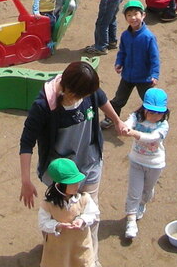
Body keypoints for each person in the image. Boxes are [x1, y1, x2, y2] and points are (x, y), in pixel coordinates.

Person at [20, 62, 122, 265]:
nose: (87, 98)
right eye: (83, 95)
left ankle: (91, 260)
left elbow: (102, 100)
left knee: (90, 214)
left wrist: (117, 121)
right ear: (70, 90)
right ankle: (55, 253)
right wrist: (25, 181)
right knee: (60, 215)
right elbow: (26, 142)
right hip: (62, 174)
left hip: (90, 162)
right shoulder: (44, 106)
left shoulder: (87, 89)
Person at [119, 87, 170, 240]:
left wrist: (134, 133)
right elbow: (128, 122)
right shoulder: (136, 117)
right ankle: (131, 222)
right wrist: (125, 127)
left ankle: (142, 203)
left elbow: (152, 138)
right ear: (144, 109)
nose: (155, 116)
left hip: (154, 164)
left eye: (159, 113)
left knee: (146, 192)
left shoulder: (163, 125)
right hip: (136, 161)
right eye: (151, 112)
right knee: (134, 193)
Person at [38, 158, 98, 267]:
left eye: (77, 182)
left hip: (81, 247)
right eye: (72, 183)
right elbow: (43, 223)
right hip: (58, 250)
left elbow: (93, 213)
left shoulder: (84, 198)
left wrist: (82, 220)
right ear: (59, 185)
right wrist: (58, 225)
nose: (77, 185)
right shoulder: (48, 204)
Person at [107, 0, 160, 122]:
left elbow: (154, 58)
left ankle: (155, 121)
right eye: (129, 15)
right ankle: (111, 118)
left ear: (143, 15)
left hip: (144, 78)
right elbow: (122, 52)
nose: (133, 18)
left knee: (149, 101)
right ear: (125, 18)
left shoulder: (148, 37)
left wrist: (155, 74)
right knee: (118, 100)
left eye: (136, 14)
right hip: (127, 77)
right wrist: (119, 62)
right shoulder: (125, 35)